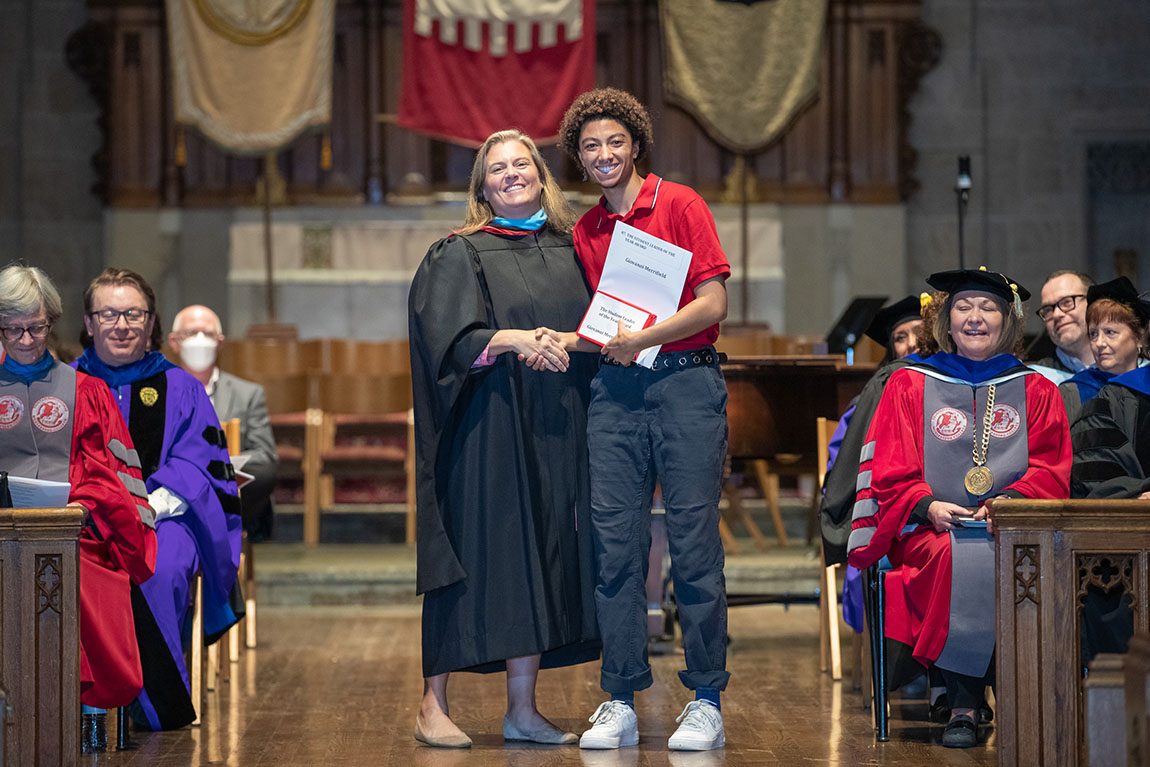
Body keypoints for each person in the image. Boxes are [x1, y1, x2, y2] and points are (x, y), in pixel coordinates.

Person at [408, 129, 600, 749]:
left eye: (522, 164)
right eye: (498, 168)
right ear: (482, 186)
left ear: (542, 176)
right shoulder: (458, 252)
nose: (512, 174)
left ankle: (522, 708)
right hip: (485, 426)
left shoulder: (575, 248)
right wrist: (513, 339)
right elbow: (445, 340)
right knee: (467, 552)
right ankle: (431, 704)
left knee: (537, 556)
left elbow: (603, 328)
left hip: (558, 424)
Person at [554, 87, 730, 752]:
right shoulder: (585, 230)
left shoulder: (680, 203)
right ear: (579, 156)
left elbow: (712, 302)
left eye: (613, 142)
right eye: (590, 145)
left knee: (693, 546)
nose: (603, 154)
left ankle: (706, 696)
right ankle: (620, 693)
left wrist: (648, 333)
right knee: (615, 550)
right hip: (617, 393)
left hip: (686, 385)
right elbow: (599, 325)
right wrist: (554, 340)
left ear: (635, 145)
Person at [848, 267, 1071, 749]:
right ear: (946, 322)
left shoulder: (1038, 390)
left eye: (988, 307)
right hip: (928, 530)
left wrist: (1009, 504)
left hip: (1012, 526)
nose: (975, 318)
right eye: (963, 308)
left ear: (1007, 322)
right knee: (956, 554)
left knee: (995, 551)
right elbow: (889, 468)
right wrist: (925, 505)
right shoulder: (907, 385)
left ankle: (965, 689)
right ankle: (967, 703)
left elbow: (1052, 468)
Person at [74, 268, 242, 731]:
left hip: (162, 518)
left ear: (151, 324)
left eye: (133, 313)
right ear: (89, 323)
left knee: (161, 566)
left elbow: (199, 465)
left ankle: (154, 706)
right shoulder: (66, 385)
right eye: (108, 313)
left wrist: (143, 508)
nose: (121, 324)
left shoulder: (182, 386)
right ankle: (74, 696)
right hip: (82, 520)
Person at [0, 264, 157, 753]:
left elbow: (110, 477)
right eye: (13, 328)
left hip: (74, 533)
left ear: (54, 322)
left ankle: (90, 721)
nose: (26, 339)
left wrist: (82, 506)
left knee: (90, 577)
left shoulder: (88, 392)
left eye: (38, 326)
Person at [170, 305, 279, 541]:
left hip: (229, 495)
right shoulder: (158, 392)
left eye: (207, 334)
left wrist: (217, 466)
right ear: (174, 342)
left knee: (264, 472)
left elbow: (265, 456)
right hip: (175, 493)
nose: (199, 340)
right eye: (190, 333)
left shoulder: (248, 393)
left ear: (220, 342)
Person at [1059, 277, 1149, 424]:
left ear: (1139, 337)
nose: (1099, 343)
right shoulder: (1074, 392)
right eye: (1093, 334)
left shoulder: (1146, 387)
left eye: (1110, 332)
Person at [1029, 270, 1094, 383]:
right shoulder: (1036, 380)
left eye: (1067, 302)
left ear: (1092, 303)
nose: (1056, 314)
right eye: (1048, 309)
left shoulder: (1129, 368)